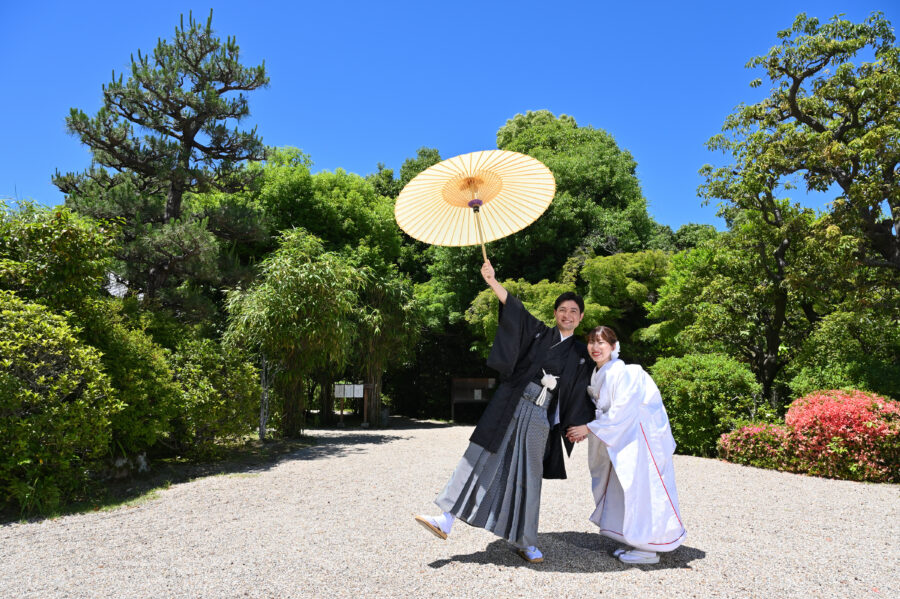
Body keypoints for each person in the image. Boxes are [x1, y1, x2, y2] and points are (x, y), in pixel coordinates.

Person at [415, 260, 593, 563]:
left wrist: (586, 425)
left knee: (529, 475)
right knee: (480, 456)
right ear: (555, 314)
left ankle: (526, 541)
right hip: (513, 404)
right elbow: (516, 311)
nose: (567, 315)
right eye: (562, 310)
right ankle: (446, 518)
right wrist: (492, 281)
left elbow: (589, 388)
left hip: (540, 417)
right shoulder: (538, 333)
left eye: (573, 311)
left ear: (581, 317)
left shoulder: (581, 354)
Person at [566, 326, 686, 565]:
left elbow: (623, 410)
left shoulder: (627, 372)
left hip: (639, 441)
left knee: (642, 490)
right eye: (592, 342)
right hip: (624, 439)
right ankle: (635, 540)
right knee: (625, 490)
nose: (596, 347)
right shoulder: (599, 373)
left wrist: (589, 428)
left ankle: (648, 547)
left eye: (602, 342)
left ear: (613, 346)